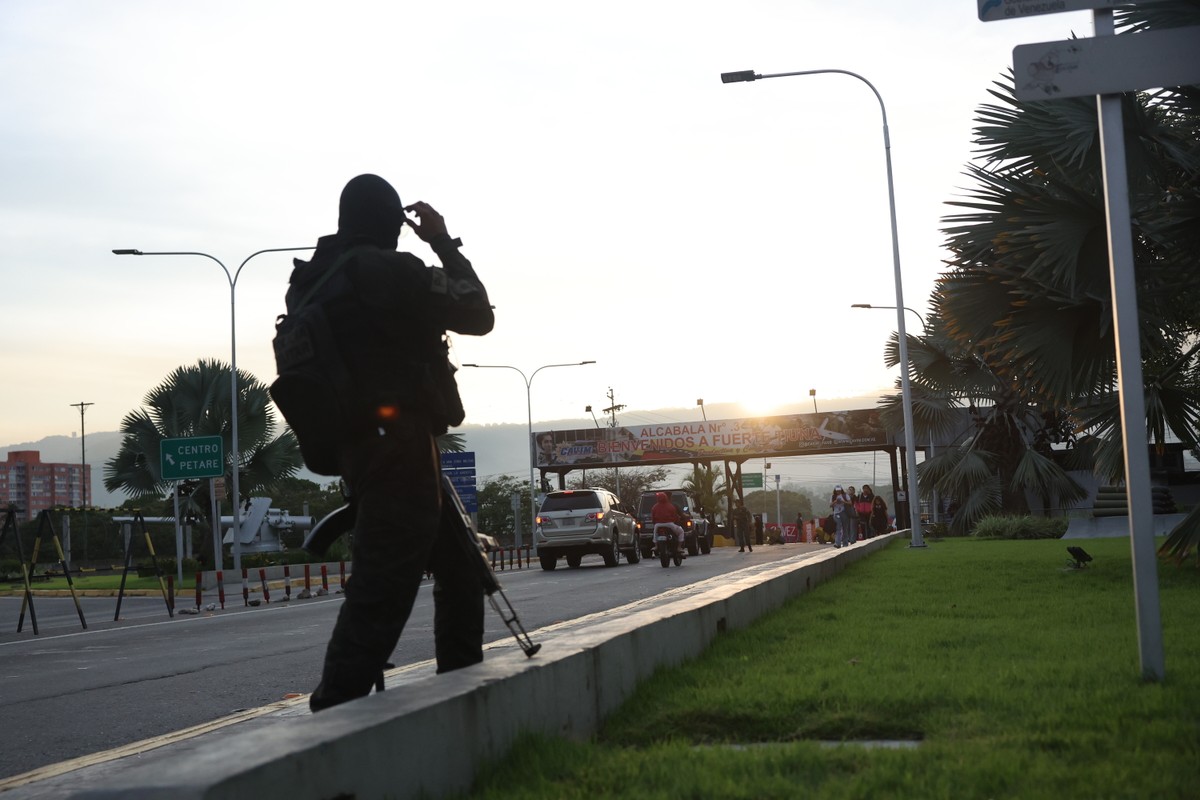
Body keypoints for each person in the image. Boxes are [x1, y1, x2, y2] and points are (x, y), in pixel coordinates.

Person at [290, 174, 495, 712]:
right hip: (399, 445)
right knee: (383, 587)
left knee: (460, 566)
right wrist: (442, 241)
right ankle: (334, 709)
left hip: (356, 448)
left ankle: (461, 690)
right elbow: (478, 312)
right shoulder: (384, 270)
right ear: (388, 220)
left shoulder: (309, 281)